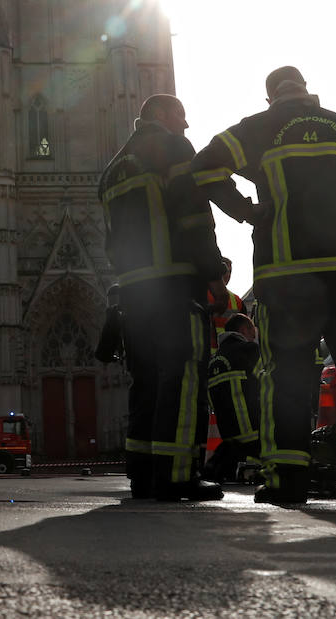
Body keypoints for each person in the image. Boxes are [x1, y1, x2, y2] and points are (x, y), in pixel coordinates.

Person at [189, 67, 336, 505]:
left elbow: (202, 168)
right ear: (306, 90)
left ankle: (287, 480)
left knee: (286, 376)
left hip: (287, 274)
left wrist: (245, 210)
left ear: (270, 96)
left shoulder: (259, 128)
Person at [99, 93, 232, 501]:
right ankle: (176, 476)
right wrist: (213, 274)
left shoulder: (112, 169)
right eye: (180, 115)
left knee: (146, 383)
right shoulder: (171, 148)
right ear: (156, 114)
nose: (186, 125)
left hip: (134, 293)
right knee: (183, 377)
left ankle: (142, 475)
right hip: (174, 286)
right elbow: (192, 214)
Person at [204, 310, 261, 482]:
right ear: (243, 330)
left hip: (229, 434)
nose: (254, 335)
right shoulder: (249, 350)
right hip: (254, 432)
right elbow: (266, 383)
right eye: (252, 331)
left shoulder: (215, 360)